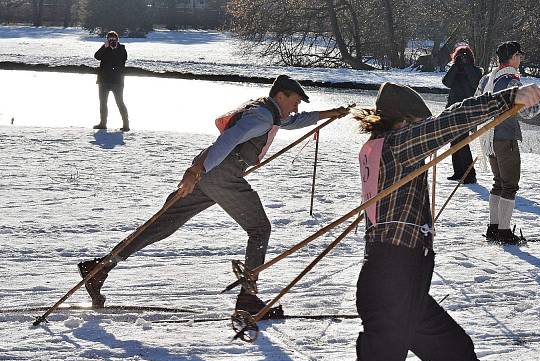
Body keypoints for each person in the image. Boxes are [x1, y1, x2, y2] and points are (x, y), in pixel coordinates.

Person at [230, 80, 540, 361]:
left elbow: (445, 130)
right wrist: (509, 98)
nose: (425, 128)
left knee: (456, 351)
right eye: (420, 122)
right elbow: (452, 122)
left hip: (399, 282)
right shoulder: (399, 144)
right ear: (406, 121)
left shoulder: (380, 147)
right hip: (394, 282)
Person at [78, 75, 350, 315]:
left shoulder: (268, 112)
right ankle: (248, 298)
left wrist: (329, 114)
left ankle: (100, 269)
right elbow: (227, 141)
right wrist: (196, 170)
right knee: (259, 228)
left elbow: (292, 122)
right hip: (220, 174)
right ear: (281, 95)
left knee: (161, 225)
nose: (297, 106)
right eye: (296, 100)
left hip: (210, 175)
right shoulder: (262, 116)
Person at [476, 41, 540, 245]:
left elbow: (477, 104)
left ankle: (494, 228)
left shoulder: (487, 79)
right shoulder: (512, 79)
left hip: (488, 138)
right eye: (519, 56)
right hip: (506, 137)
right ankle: (504, 232)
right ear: (513, 57)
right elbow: (526, 111)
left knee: (498, 183)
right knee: (510, 185)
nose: (520, 60)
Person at [442, 43, 483, 184]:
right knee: (454, 141)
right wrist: (456, 66)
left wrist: (466, 67)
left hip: (467, 111)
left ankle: (469, 174)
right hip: (452, 110)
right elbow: (445, 82)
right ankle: (459, 172)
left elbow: (475, 84)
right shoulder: (455, 70)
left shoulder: (476, 71)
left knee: (463, 142)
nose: (463, 59)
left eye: (465, 57)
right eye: (460, 57)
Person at [94, 31, 130, 132]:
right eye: (110, 39)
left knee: (120, 102)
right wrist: (104, 47)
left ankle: (126, 125)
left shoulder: (122, 49)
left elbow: (122, 60)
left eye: (114, 39)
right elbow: (97, 56)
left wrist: (114, 50)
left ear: (117, 39)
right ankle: (102, 123)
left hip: (117, 80)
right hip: (104, 79)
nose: (112, 41)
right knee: (103, 103)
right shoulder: (104, 48)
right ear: (107, 40)